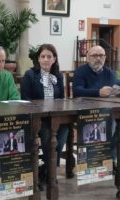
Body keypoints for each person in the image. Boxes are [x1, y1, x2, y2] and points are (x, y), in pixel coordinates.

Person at [20, 44, 74, 189]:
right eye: (42, 56)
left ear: (54, 59)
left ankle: (44, 171)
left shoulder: (58, 76)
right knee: (48, 136)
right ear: (38, 59)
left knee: (65, 129)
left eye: (49, 56)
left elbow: (61, 100)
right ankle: (50, 175)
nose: (45, 59)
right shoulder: (30, 75)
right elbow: (25, 101)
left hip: (56, 118)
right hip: (39, 119)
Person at [73, 45, 120, 172]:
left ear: (105, 57)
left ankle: (111, 160)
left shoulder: (110, 72)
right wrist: (98, 92)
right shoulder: (80, 71)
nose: (98, 58)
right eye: (95, 55)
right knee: (110, 125)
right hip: (87, 111)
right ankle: (97, 162)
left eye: (101, 56)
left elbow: (118, 84)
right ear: (88, 58)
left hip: (108, 110)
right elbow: (77, 91)